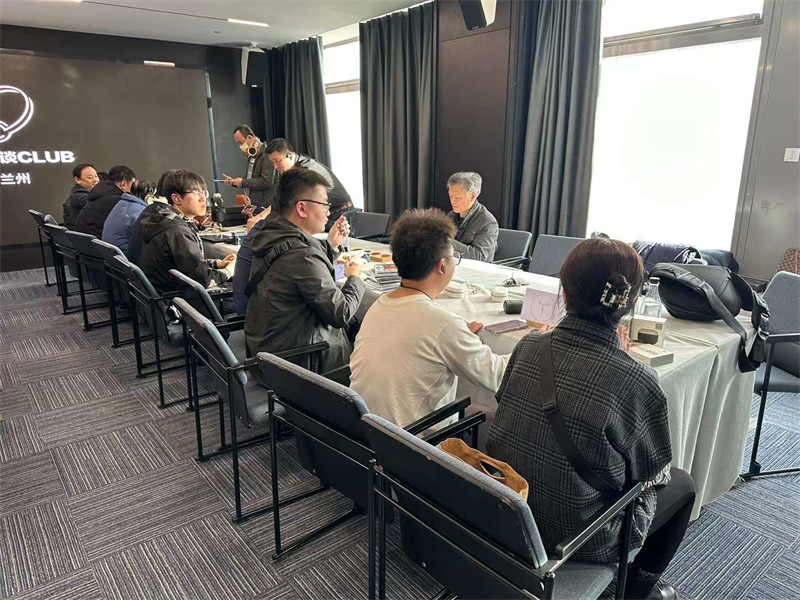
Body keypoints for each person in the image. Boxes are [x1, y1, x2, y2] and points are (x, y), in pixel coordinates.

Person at [486, 237, 693, 600]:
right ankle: (637, 589)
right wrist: (620, 363)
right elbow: (651, 474)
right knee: (683, 484)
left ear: (564, 293)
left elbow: (508, 409)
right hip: (580, 537)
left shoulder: (529, 345)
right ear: (630, 303)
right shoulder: (638, 380)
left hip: (511, 509)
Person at [350, 208, 509, 428]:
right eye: (455, 257)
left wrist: (458, 335)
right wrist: (530, 344)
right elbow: (498, 376)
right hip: (412, 441)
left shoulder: (379, 305)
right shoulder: (443, 325)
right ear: (441, 266)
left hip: (364, 431)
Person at [244, 167, 364, 372]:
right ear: (301, 208)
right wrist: (355, 279)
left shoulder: (271, 234)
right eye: (325, 204)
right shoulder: (302, 255)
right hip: (297, 364)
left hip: (268, 350)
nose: (328, 212)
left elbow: (299, 271)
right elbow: (340, 313)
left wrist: (331, 246)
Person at [131, 170, 234, 313]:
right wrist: (230, 270)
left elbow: (182, 265)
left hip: (160, 302)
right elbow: (203, 280)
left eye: (204, 193)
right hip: (180, 306)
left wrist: (215, 264)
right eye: (196, 193)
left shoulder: (161, 219)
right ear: (176, 198)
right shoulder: (177, 230)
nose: (203, 199)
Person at [265, 137, 355, 230]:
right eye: (273, 162)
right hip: (326, 215)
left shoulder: (307, 169)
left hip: (341, 213)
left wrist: (262, 217)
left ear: (290, 155)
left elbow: (295, 200)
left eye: (277, 161)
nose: (275, 166)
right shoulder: (291, 170)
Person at [222, 124, 276, 219]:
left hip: (265, 209)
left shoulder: (267, 154)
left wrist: (242, 182)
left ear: (250, 138)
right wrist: (234, 182)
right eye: (238, 144)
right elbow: (250, 179)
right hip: (254, 208)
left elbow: (266, 181)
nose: (240, 146)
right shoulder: (250, 155)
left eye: (240, 143)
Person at [446, 171, 499, 262]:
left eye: (458, 197)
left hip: (476, 269)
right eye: (451, 196)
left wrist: (446, 241)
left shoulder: (488, 222)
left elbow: (479, 257)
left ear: (472, 196)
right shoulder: (451, 215)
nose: (452, 201)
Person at [74, 165, 136, 238]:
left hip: (84, 240)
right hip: (97, 242)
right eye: (132, 184)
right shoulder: (118, 201)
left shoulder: (101, 193)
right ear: (123, 184)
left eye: (96, 176)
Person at [101, 179, 156, 254]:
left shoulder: (122, 203)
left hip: (111, 255)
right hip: (125, 256)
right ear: (149, 197)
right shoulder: (140, 211)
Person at [63, 163, 100, 228]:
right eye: (90, 177)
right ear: (78, 180)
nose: (95, 180)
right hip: (84, 233)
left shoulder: (78, 192)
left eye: (96, 176)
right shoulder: (80, 196)